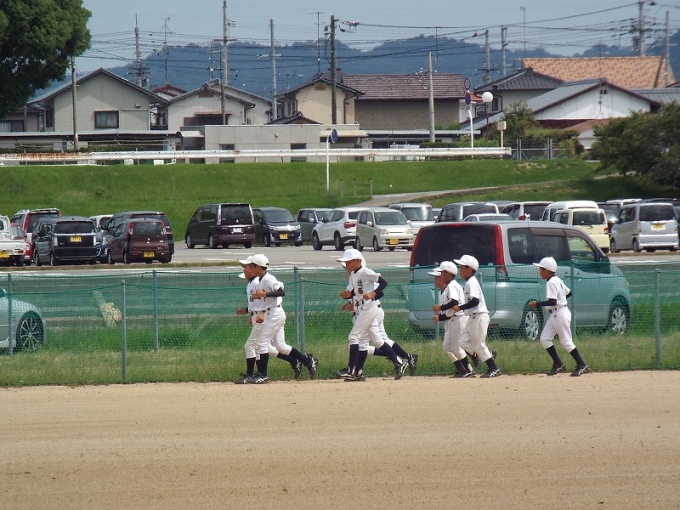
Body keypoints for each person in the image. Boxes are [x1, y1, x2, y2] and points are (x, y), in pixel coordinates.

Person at [234, 257, 315, 384]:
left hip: (273, 314)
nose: (247, 269)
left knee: (259, 344)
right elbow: (263, 302)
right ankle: (307, 361)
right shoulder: (260, 280)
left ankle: (262, 375)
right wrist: (250, 310)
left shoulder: (266, 278)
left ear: (258, 267)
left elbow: (281, 292)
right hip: (269, 313)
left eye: (251, 266)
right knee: (279, 346)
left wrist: (262, 304)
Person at [337, 248, 408, 381]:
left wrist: (372, 294)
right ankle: (399, 363)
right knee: (377, 341)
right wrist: (348, 295)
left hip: (369, 308)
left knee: (354, 337)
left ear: (358, 261)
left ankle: (351, 371)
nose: (346, 265)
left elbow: (383, 282)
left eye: (348, 262)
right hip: (363, 309)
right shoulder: (354, 275)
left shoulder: (365, 271)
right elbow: (357, 293)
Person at [529, 257, 590, 377]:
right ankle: (558, 364)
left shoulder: (551, 282)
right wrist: (561, 300)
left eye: (541, 269)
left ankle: (582, 365)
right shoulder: (557, 280)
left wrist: (537, 304)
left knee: (566, 342)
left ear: (547, 270)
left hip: (560, 314)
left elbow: (552, 301)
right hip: (556, 313)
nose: (540, 271)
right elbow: (569, 293)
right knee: (545, 339)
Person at [453, 255, 501, 378]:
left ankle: (494, 368)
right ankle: (488, 354)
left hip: (479, 316)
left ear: (469, 269)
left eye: (462, 267)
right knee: (462, 341)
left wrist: (460, 307)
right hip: (472, 318)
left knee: (479, 345)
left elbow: (475, 301)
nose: (460, 270)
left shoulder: (472, 282)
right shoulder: (469, 282)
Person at [430, 261, 474, 377]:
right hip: (452, 319)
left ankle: (468, 369)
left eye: (441, 274)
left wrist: (440, 307)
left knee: (456, 347)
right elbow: (449, 311)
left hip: (458, 318)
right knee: (447, 347)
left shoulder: (452, 285)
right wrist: (439, 316)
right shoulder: (446, 289)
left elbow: (454, 302)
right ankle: (463, 368)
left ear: (448, 274)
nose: (439, 277)